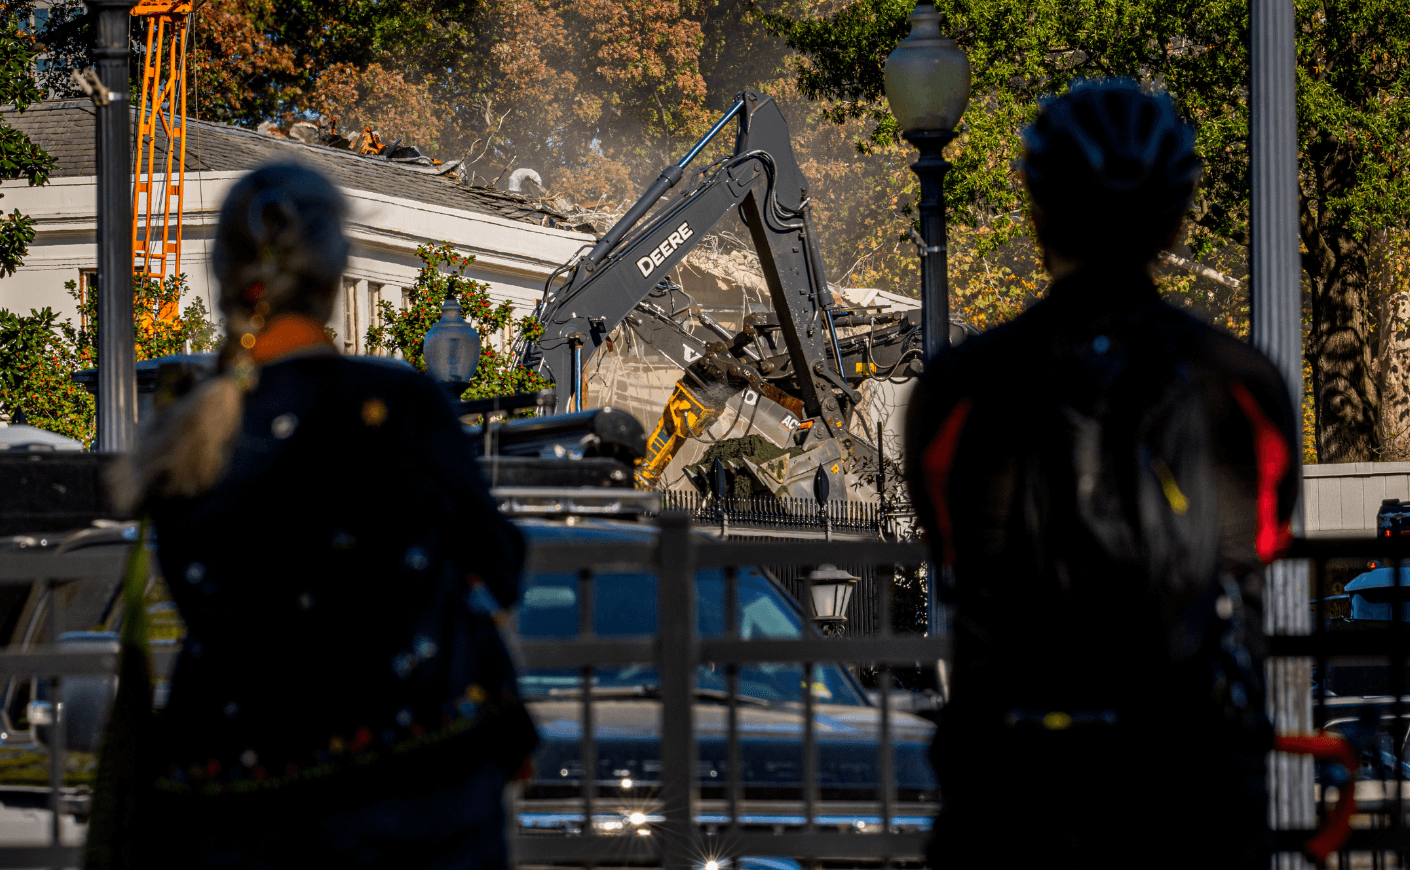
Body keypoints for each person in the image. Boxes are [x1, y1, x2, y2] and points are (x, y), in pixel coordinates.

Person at [907, 79, 1298, 869]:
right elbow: (1255, 548)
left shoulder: (961, 391)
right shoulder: (1243, 386)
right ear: (1178, 220)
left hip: (1016, 790)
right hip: (1190, 787)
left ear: (1037, 210)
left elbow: (957, 558)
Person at [105, 163, 534, 869]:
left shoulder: (183, 432)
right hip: (415, 789)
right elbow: (498, 563)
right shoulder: (398, 404)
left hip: (233, 790)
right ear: (335, 272)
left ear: (222, 274)